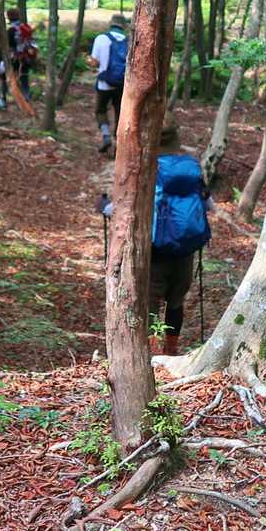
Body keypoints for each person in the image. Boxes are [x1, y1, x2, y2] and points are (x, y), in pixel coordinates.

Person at [97, 115, 212, 356]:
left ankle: (151, 356)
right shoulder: (190, 167)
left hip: (153, 251)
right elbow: (207, 204)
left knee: (149, 304)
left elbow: (126, 208)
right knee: (176, 302)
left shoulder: (146, 169)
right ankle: (171, 350)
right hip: (185, 248)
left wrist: (104, 207)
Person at [89, 14, 129, 154]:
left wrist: (91, 63)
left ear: (111, 23)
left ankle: (106, 136)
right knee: (119, 113)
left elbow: (94, 62)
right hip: (121, 85)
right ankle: (118, 144)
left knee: (100, 110)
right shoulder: (128, 41)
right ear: (124, 26)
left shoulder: (101, 38)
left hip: (104, 84)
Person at [5, 8, 37, 101]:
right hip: (27, 55)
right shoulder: (25, 27)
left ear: (9, 17)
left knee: (13, 76)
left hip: (16, 56)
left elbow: (10, 45)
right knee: (24, 76)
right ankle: (26, 95)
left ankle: (16, 96)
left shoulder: (11, 30)